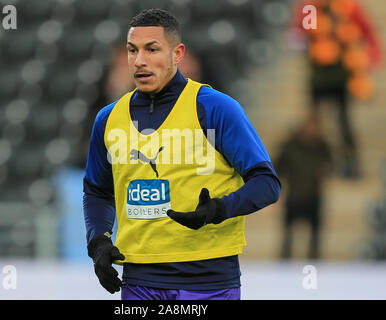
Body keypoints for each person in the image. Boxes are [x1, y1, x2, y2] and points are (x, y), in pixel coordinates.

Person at [83, 8, 281, 300]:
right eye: (132, 50)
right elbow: (96, 191)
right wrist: (98, 241)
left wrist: (218, 210)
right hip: (139, 281)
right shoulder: (108, 118)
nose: (139, 61)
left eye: (152, 50)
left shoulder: (216, 109)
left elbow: (267, 183)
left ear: (178, 54)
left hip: (210, 281)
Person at [289, 0, 381, 179]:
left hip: (342, 76)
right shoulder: (311, 8)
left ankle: (351, 164)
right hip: (319, 75)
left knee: (343, 121)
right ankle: (318, 163)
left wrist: (371, 57)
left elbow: (366, 31)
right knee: (316, 122)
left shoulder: (349, 6)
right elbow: (300, 33)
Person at [275, 114, 332, 260]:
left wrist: (326, 170)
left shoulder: (322, 146)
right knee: (287, 235)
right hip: (294, 195)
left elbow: (330, 165)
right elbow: (277, 167)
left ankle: (314, 263)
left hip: (314, 195)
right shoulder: (290, 146)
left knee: (315, 236)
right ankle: (284, 263)